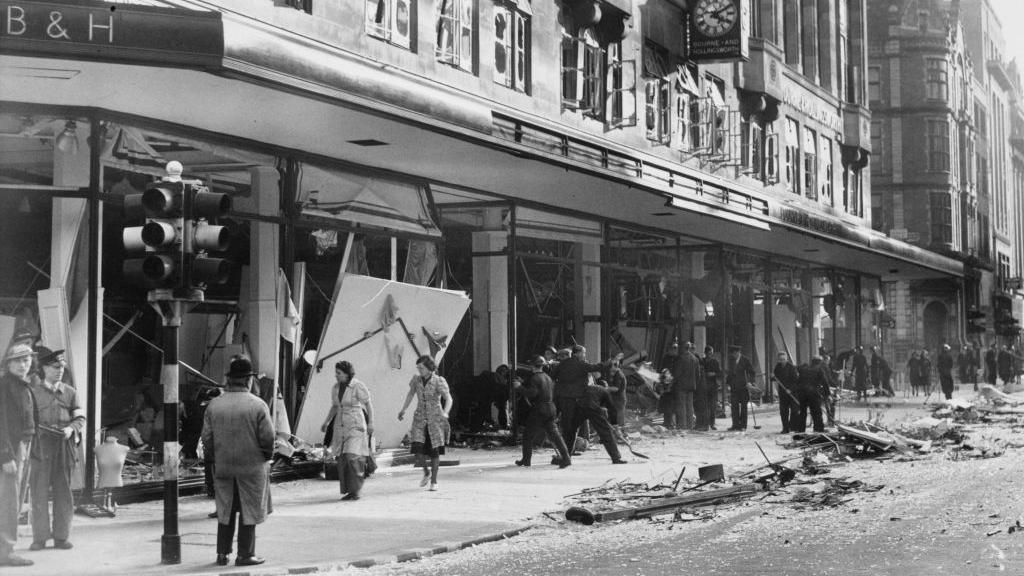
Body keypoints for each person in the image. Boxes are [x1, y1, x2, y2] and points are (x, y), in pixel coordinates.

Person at [201, 357, 275, 567]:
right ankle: (245, 554)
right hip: (251, 466)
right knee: (248, 509)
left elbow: (206, 438)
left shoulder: (214, 405)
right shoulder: (258, 405)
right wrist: (266, 457)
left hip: (223, 465)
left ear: (230, 380)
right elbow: (268, 438)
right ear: (247, 381)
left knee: (225, 510)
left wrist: (215, 458)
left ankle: (222, 554)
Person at [28, 346, 84, 551]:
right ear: (43, 368)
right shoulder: (32, 393)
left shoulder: (70, 393)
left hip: (63, 447)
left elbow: (80, 418)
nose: (59, 369)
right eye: (54, 366)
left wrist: (71, 429)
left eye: (61, 366)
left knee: (63, 493)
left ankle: (61, 537)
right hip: (40, 447)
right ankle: (39, 538)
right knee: (39, 492)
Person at [0, 343, 36, 567]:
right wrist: (6, 455)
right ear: (9, 364)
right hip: (12, 448)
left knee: (14, 498)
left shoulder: (23, 385)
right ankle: (6, 549)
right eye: (19, 361)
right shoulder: (5, 386)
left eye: (27, 360)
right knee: (9, 501)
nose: (24, 364)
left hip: (23, 445)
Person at [320, 361, 374, 501]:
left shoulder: (357, 386)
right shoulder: (335, 388)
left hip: (355, 424)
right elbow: (334, 407)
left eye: (339, 373)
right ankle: (350, 491)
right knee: (343, 459)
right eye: (336, 373)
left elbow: (368, 403)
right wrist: (326, 422)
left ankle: (357, 489)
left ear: (347, 374)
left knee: (352, 456)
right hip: (341, 426)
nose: (336, 376)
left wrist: (371, 422)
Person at [550, 345, 618, 454]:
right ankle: (567, 454)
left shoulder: (561, 364)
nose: (585, 355)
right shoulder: (581, 365)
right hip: (577, 400)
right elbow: (596, 367)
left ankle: (566, 454)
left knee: (569, 428)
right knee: (572, 428)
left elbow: (552, 378)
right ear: (578, 353)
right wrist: (609, 363)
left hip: (562, 398)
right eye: (584, 353)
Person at [398, 355, 452, 492]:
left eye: (421, 368)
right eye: (418, 368)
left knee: (434, 452)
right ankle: (426, 472)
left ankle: (434, 480)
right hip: (420, 418)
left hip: (435, 419)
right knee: (417, 450)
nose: (419, 370)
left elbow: (449, 399)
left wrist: (445, 412)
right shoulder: (416, 380)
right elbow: (410, 394)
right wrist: (403, 409)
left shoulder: (438, 381)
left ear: (429, 368)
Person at [512, 355, 570, 468]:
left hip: (539, 410)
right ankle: (566, 458)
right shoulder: (547, 377)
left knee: (527, 436)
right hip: (550, 408)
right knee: (556, 436)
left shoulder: (535, 378)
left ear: (532, 366)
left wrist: (519, 387)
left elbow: (533, 393)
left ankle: (526, 460)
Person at [791, 357, 828, 433]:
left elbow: (797, 377)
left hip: (802, 393)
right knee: (816, 411)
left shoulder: (803, 368)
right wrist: (828, 394)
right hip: (813, 393)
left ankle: (801, 430)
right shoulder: (819, 370)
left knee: (802, 412)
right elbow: (825, 382)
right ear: (819, 362)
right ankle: (818, 429)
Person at [670, 342, 701, 430]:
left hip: (681, 386)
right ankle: (690, 425)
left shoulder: (681, 359)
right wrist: (695, 383)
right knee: (690, 406)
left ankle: (682, 426)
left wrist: (672, 383)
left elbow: (677, 373)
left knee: (681, 406)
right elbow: (698, 375)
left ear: (683, 348)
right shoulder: (695, 359)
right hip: (691, 386)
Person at [726, 346, 755, 431]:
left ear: (738, 352)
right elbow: (730, 373)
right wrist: (728, 383)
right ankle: (735, 425)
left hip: (743, 387)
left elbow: (752, 372)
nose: (734, 355)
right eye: (733, 353)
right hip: (734, 386)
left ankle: (743, 425)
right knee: (734, 406)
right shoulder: (731, 360)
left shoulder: (745, 360)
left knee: (743, 406)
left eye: (735, 353)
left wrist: (750, 382)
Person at [772, 351, 799, 434]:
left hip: (792, 392)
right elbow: (775, 378)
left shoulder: (792, 367)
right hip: (783, 393)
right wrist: (772, 377)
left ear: (786, 359)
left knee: (794, 411)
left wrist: (790, 389)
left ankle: (793, 427)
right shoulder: (778, 367)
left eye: (783, 359)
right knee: (783, 411)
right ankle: (785, 428)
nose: (782, 361)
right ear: (778, 360)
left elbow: (796, 381)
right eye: (780, 359)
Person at [658, 343, 680, 429]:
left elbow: (676, 373)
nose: (673, 351)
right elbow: (662, 370)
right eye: (672, 349)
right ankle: (667, 422)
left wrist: (672, 383)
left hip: (673, 386)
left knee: (671, 405)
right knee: (666, 405)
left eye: (674, 349)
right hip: (666, 385)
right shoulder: (666, 358)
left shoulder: (677, 359)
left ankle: (670, 422)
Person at [701, 346, 721, 430]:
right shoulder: (702, 361)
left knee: (712, 406)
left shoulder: (715, 362)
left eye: (711, 353)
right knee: (704, 406)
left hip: (713, 386)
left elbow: (719, 373)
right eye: (709, 353)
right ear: (705, 353)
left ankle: (712, 424)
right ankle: (705, 424)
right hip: (704, 386)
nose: (710, 355)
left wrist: (714, 374)